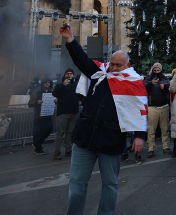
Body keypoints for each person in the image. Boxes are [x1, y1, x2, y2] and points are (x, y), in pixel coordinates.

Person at [59, 24, 147, 215]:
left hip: (111, 140)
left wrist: (139, 136)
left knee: (110, 184)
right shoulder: (100, 73)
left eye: (118, 65)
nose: (113, 68)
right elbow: (81, 61)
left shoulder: (134, 83)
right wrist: (70, 40)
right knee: (76, 182)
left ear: (128, 66)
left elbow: (139, 110)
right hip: (84, 138)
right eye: (112, 63)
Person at [52, 69, 80, 160]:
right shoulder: (60, 84)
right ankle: (57, 152)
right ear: (64, 75)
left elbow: (81, 96)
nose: (69, 75)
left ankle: (68, 150)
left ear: (73, 75)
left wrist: (81, 101)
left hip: (73, 112)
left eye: (71, 74)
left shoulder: (76, 85)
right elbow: (54, 93)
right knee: (60, 132)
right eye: (67, 74)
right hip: (63, 112)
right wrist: (63, 85)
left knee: (70, 132)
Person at [145, 62, 171, 158]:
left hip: (164, 106)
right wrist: (151, 84)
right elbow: (144, 89)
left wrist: (165, 87)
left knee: (165, 129)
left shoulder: (165, 78)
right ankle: (150, 149)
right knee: (151, 130)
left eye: (158, 70)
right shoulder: (148, 79)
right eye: (155, 70)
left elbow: (170, 89)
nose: (156, 72)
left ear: (161, 70)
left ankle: (166, 147)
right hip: (152, 107)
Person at [28, 79, 54, 155]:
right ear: (42, 83)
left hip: (48, 115)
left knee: (49, 129)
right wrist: (37, 102)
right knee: (38, 132)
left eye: (49, 82)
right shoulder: (36, 93)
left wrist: (56, 101)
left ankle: (37, 143)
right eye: (46, 82)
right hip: (38, 116)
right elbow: (30, 104)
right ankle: (38, 148)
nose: (47, 83)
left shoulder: (52, 93)